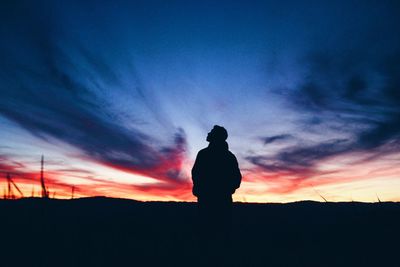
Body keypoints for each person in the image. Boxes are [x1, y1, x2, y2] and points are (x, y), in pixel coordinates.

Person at [191, 125, 242, 242]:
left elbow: (236, 178)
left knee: (213, 233)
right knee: (213, 233)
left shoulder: (205, 154)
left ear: (216, 137)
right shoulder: (228, 156)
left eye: (212, 132)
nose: (208, 133)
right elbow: (196, 174)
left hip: (213, 200)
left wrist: (225, 190)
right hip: (213, 199)